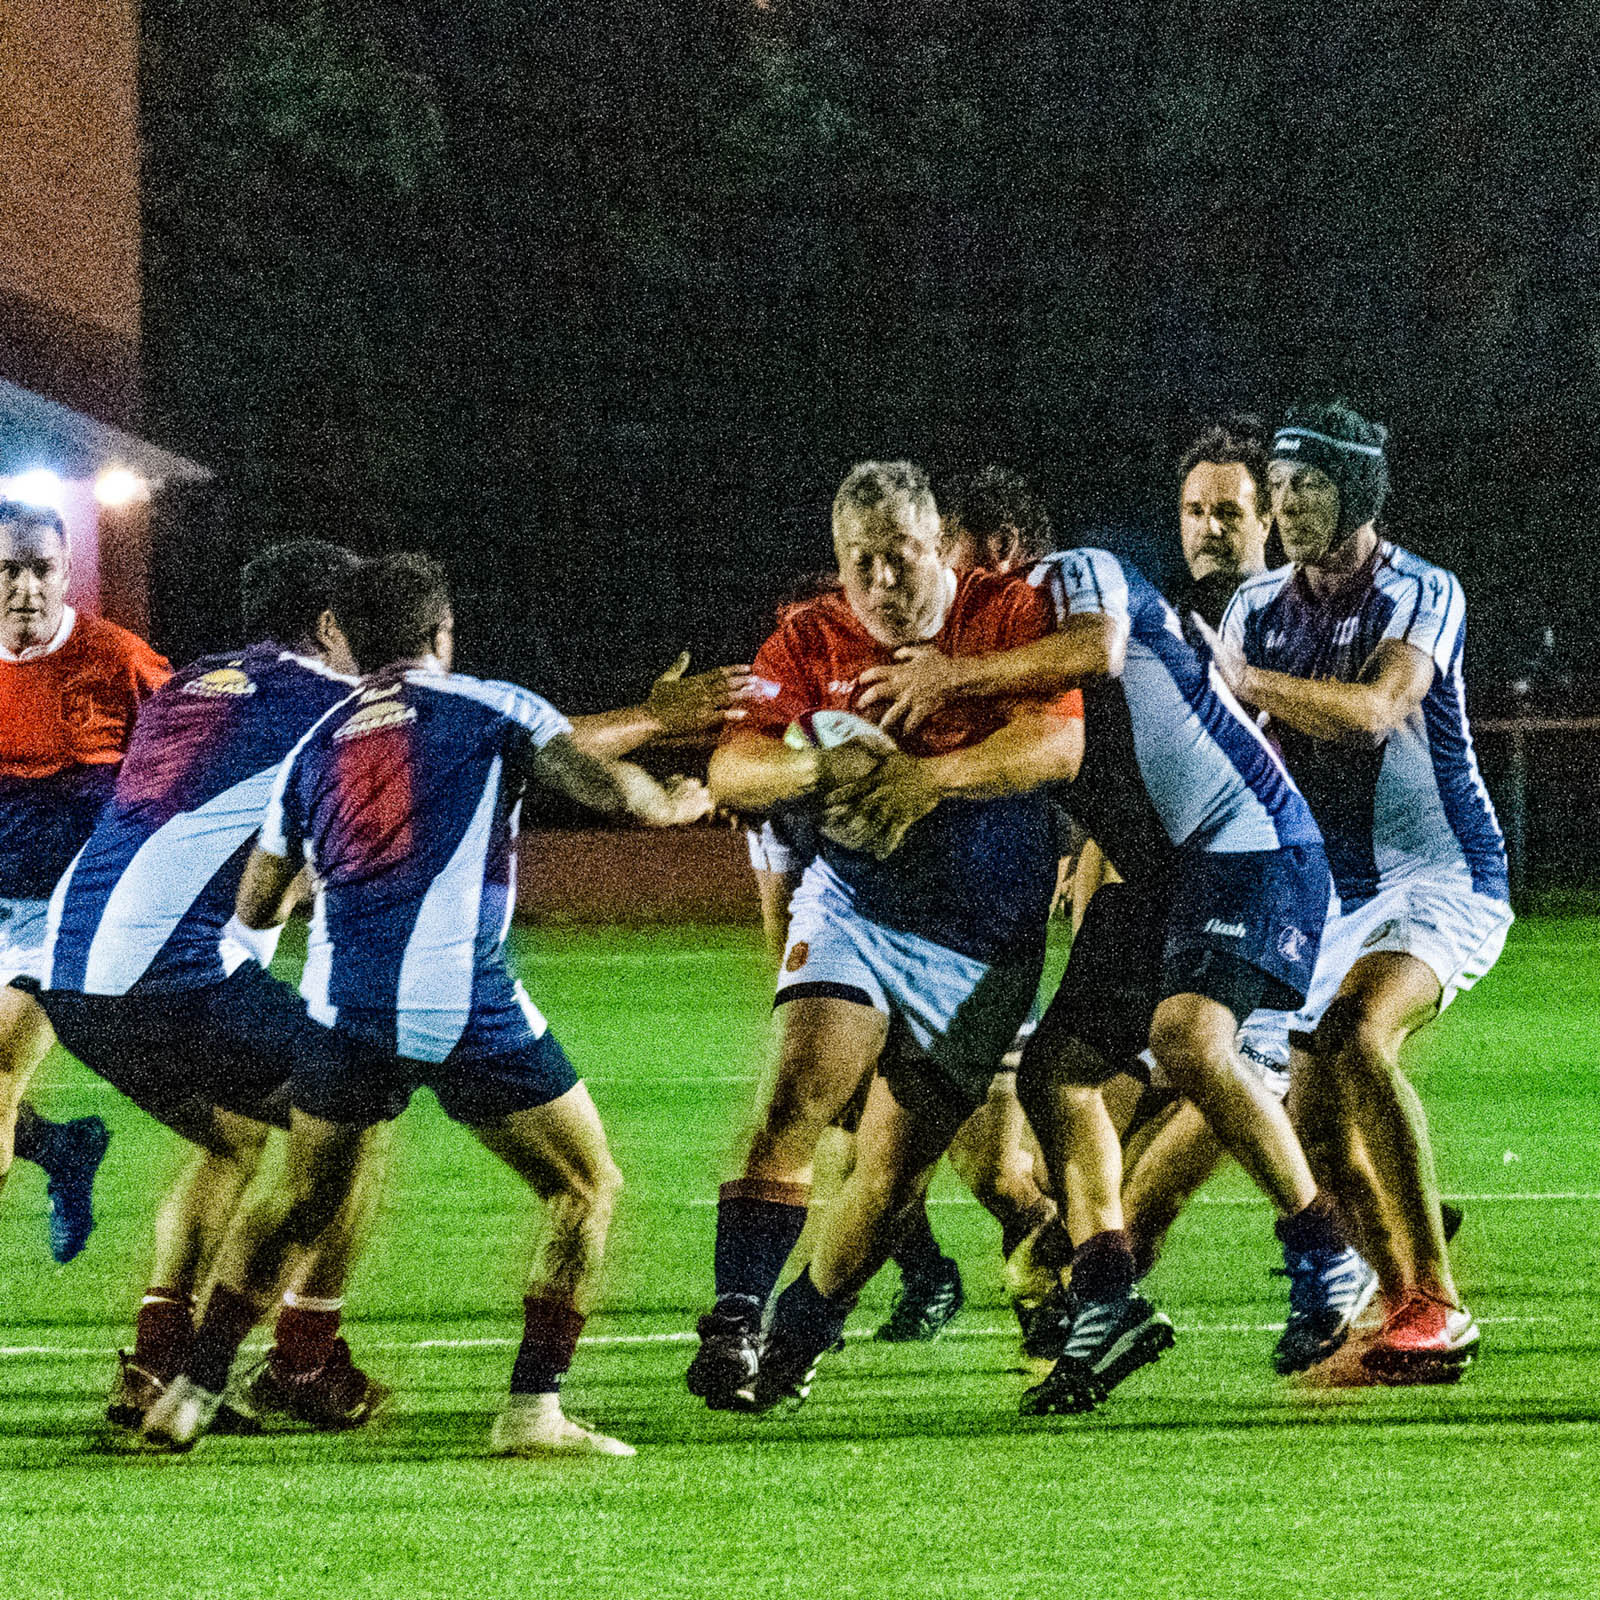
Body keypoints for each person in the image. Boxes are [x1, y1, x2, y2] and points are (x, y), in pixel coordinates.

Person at [141, 553, 711, 1457]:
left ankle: (187, 1395)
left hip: (343, 1012)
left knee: (297, 1205)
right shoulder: (497, 704)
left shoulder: (314, 741)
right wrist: (685, 800)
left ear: (355, 644)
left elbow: (256, 905)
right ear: (442, 634)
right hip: (463, 1007)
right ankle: (532, 1411)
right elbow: (617, 793)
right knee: (584, 1188)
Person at [852, 544, 1362, 1413]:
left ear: (1002, 552)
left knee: (1187, 1039)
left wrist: (953, 676)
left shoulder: (1071, 575)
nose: (945, 594)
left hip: (1249, 849)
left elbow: (1101, 647)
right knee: (1058, 1076)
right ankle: (1107, 1300)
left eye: (956, 564)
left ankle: (1326, 1253)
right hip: (1162, 880)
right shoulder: (1001, 669)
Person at [688, 460, 1082, 1411]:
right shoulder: (809, 637)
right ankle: (734, 1320)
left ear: (938, 542)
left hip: (983, 942)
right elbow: (733, 770)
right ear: (838, 559)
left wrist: (927, 780)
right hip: (858, 908)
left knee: (896, 1179)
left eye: (901, 556)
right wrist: (831, 769)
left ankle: (800, 1334)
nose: (882, 581)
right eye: (860, 561)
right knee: (796, 1096)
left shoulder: (1006, 615)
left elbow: (1058, 745)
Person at [36, 540, 384, 1431]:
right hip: (168, 974)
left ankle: (154, 1362)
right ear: (329, 625)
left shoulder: (192, 682)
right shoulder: (331, 703)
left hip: (69, 968)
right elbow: (480, 744)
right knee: (357, 1118)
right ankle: (305, 1359)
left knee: (234, 1140)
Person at [1202, 400, 1508, 1379]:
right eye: (1279, 489)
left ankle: (1436, 1299)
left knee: (1350, 1036)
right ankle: (1397, 1291)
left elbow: (1377, 711)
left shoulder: (1422, 590)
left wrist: (1240, 681)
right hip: (1327, 894)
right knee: (1308, 1111)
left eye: (1310, 487)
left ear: (1358, 493)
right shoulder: (1254, 608)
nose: (1287, 506)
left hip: (1443, 874)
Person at [0, 497, 169, 1261]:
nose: (26, 588)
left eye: (41, 569)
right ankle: (62, 1149)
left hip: (64, 917)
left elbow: (196, 753)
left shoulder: (116, 659)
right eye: (9, 569)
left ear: (68, 572)